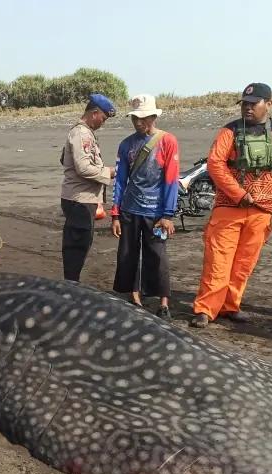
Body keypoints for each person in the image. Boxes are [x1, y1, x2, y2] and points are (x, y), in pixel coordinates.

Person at [189, 83, 272, 328]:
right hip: (228, 208)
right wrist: (238, 193)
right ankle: (206, 309)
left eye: (254, 103)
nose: (247, 107)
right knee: (217, 260)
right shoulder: (229, 131)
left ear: (269, 104)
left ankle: (231, 305)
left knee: (244, 263)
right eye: (244, 103)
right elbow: (215, 164)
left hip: (263, 211)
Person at [110, 94, 179, 318]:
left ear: (152, 116)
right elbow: (120, 180)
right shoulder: (126, 144)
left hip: (157, 212)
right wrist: (115, 214)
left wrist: (168, 214)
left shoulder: (167, 141)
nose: (138, 123)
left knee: (158, 257)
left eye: (143, 118)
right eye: (134, 118)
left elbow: (171, 179)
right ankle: (135, 298)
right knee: (129, 254)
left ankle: (164, 303)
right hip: (130, 209)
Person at [59, 93, 117, 282]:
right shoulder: (81, 133)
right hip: (79, 199)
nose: (103, 122)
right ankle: (71, 284)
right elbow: (83, 167)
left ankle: (72, 281)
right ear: (95, 113)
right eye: (103, 118)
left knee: (80, 243)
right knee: (77, 245)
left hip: (81, 198)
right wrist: (107, 172)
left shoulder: (83, 133)